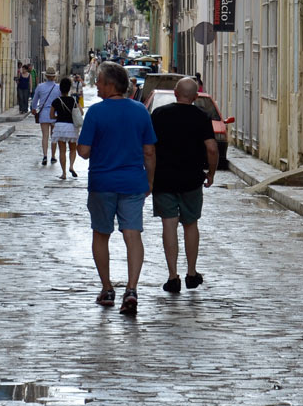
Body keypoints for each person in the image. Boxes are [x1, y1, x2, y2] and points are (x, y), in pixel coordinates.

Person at [76, 62, 156, 315]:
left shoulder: (96, 113)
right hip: (133, 182)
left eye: (99, 81)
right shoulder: (140, 111)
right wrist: (150, 182)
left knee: (101, 234)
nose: (96, 84)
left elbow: (84, 152)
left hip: (102, 183)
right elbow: (150, 151)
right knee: (133, 235)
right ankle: (131, 289)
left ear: (110, 84)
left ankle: (107, 288)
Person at [150, 76, 218, 293]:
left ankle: (172, 277)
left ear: (175, 94)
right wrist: (211, 173)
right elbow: (212, 149)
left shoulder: (159, 114)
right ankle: (191, 272)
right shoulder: (201, 116)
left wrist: (148, 177)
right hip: (191, 179)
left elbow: (149, 148)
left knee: (168, 225)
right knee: (191, 224)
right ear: (196, 96)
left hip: (163, 179)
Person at [50, 77, 79, 180]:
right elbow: (80, 112)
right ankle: (71, 166)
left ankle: (64, 173)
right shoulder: (73, 100)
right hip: (71, 127)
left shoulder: (56, 101)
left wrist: (59, 116)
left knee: (62, 150)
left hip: (60, 127)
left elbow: (51, 116)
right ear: (69, 88)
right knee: (73, 149)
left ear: (60, 89)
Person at [31, 66, 61, 165]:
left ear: (46, 76)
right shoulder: (58, 88)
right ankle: (53, 156)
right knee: (54, 136)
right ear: (54, 77)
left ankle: (44, 156)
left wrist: (34, 108)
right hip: (55, 114)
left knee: (45, 136)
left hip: (43, 113)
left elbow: (35, 100)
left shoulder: (40, 87)